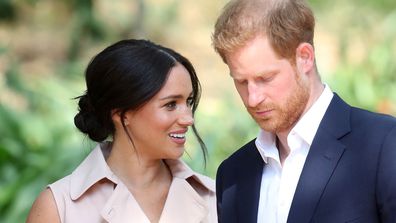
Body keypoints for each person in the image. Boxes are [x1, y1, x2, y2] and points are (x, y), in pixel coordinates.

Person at [212, 0, 396, 222]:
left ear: (305, 57)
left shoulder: (384, 144)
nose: (253, 98)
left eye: (265, 78)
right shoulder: (232, 175)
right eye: (241, 82)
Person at [26, 39, 217, 223]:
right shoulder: (59, 207)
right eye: (171, 104)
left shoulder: (215, 198)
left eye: (188, 102)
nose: (188, 119)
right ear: (120, 113)